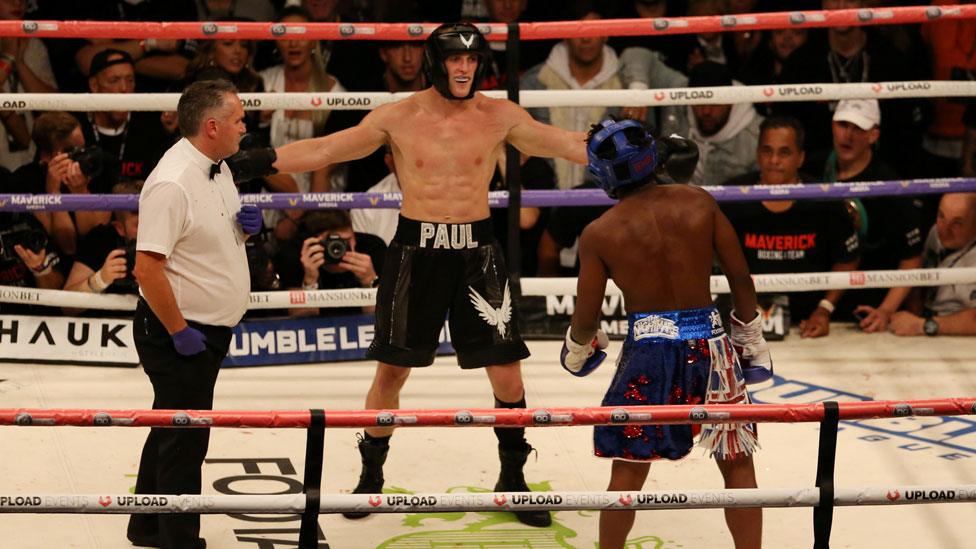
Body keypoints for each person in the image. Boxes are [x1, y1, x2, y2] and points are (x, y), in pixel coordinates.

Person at [246, 22, 590, 528]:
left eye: (472, 60)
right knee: (392, 371)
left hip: (477, 251)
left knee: (507, 371)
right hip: (416, 250)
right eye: (455, 59)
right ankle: (370, 479)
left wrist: (628, 150)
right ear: (437, 62)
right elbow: (328, 149)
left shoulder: (500, 115)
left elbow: (565, 144)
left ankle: (513, 480)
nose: (464, 68)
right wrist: (262, 158)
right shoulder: (399, 117)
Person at [563, 118, 767, 549]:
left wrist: (577, 351)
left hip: (649, 353)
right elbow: (741, 281)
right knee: (738, 464)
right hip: (711, 345)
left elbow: (585, 320)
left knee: (628, 468)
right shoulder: (698, 203)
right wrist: (750, 339)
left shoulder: (600, 232)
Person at [126, 79, 261, 549]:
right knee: (187, 438)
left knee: (170, 422)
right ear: (211, 126)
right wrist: (179, 330)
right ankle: (178, 539)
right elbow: (146, 268)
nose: (245, 126)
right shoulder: (172, 182)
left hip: (205, 328)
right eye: (239, 119)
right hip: (178, 330)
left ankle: (145, 524)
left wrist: (244, 230)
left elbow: (202, 239)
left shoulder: (217, 166)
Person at [722, 116, 860, 338]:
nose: (774, 160)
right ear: (758, 154)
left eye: (784, 152)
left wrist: (824, 308)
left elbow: (847, 258)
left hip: (809, 319)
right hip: (744, 319)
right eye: (767, 151)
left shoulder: (824, 199)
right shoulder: (732, 197)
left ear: (800, 158)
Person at [889, 193, 976, 337]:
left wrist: (923, 325)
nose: (944, 228)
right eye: (941, 216)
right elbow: (919, 281)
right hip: (929, 326)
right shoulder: (935, 233)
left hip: (962, 335)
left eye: (957, 223)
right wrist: (912, 318)